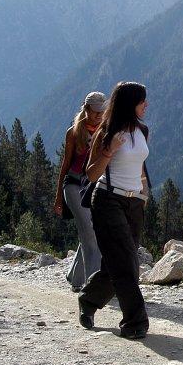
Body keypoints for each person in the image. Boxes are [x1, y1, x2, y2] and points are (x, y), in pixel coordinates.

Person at [78, 81, 151, 339]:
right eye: (143, 101)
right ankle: (135, 322)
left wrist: (143, 194)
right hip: (108, 200)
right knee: (125, 264)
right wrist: (109, 152)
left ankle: (88, 300)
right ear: (131, 103)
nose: (146, 105)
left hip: (134, 203)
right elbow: (91, 173)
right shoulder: (106, 132)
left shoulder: (142, 130)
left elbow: (140, 167)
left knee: (120, 263)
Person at [53, 91, 106, 292]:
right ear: (86, 110)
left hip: (94, 187)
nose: (99, 115)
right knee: (90, 233)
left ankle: (75, 277)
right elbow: (65, 165)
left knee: (88, 233)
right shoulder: (73, 132)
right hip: (74, 186)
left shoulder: (105, 130)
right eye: (95, 112)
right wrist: (59, 196)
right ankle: (92, 286)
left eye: (102, 111)